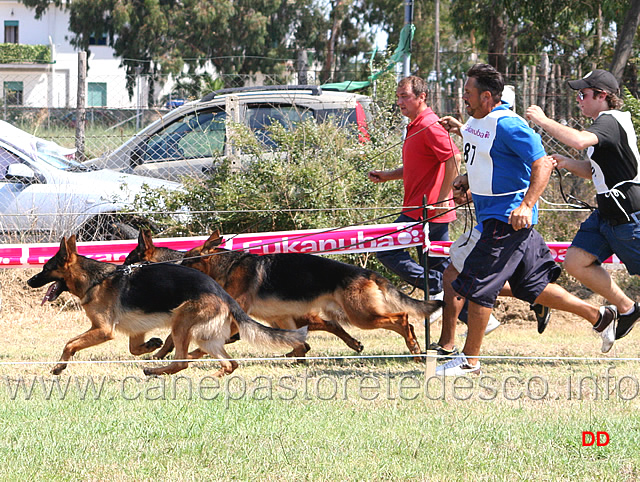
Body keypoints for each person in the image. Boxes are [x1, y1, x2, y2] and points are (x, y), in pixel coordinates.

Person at [435, 63, 615, 376]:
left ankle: (469, 361)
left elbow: (542, 163)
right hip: (500, 219)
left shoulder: (509, 124)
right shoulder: (481, 121)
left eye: (468, 92)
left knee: (476, 287)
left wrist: (527, 204)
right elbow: (490, 159)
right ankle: (600, 317)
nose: (463, 97)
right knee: (533, 287)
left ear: (487, 96)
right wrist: (467, 179)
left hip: (507, 221)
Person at [527, 69, 640, 341]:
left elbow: (578, 140)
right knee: (575, 262)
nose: (579, 99)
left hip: (629, 217)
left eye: (583, 94)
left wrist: (544, 120)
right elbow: (594, 170)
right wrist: (567, 163)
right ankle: (627, 309)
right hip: (606, 216)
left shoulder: (610, 121)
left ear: (602, 96)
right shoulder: (606, 124)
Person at [368, 76, 461, 298]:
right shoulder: (416, 125)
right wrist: (388, 176)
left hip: (426, 211)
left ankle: (437, 285)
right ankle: (482, 320)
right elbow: (418, 166)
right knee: (441, 272)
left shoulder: (428, 124)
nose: (400, 102)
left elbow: (454, 159)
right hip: (423, 210)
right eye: (398, 97)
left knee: (385, 248)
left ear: (422, 97)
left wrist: (439, 199)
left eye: (405, 97)